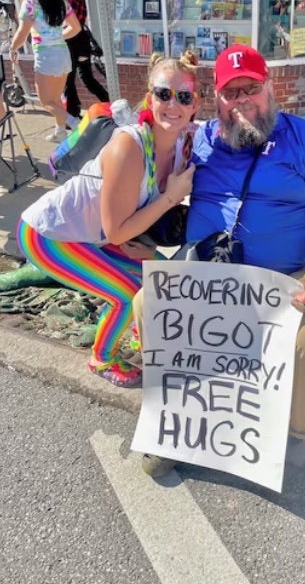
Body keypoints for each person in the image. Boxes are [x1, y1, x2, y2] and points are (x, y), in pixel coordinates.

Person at [133, 44, 305, 478]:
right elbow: (151, 162)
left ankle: (296, 431)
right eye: (231, 93)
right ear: (218, 100)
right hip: (207, 279)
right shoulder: (201, 140)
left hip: (283, 280)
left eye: (250, 88)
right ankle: (176, 426)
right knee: (147, 303)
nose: (242, 101)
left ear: (270, 89)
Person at [16, 51, 199, 388]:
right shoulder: (128, 147)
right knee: (128, 291)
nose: (173, 104)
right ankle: (101, 357)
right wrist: (172, 197)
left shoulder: (185, 143)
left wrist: (141, 244)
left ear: (194, 105)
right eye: (164, 94)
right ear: (149, 98)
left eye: (183, 96)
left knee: (162, 276)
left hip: (97, 234)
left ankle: (138, 334)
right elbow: (118, 228)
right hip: (49, 235)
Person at [9, 0, 81, 143]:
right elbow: (76, 27)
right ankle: (60, 132)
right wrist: (57, 37)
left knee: (46, 102)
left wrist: (13, 48)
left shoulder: (30, 2)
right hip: (63, 54)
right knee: (56, 99)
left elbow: (22, 32)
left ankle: (76, 124)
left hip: (46, 57)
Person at [57, 0, 109, 120]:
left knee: (69, 78)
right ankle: (109, 102)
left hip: (71, 37)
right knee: (86, 77)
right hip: (81, 38)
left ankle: (73, 114)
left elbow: (70, 15)